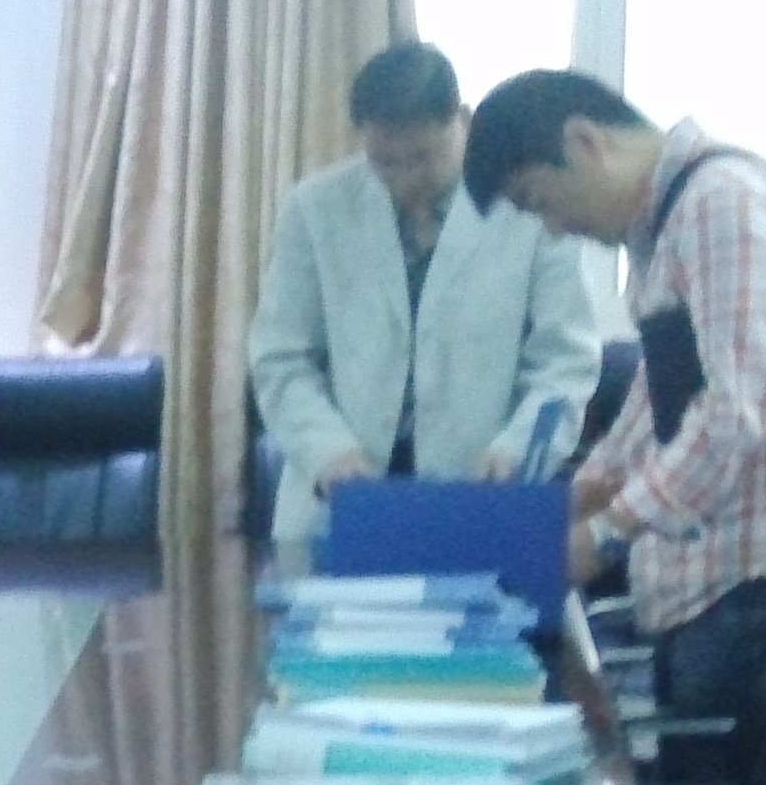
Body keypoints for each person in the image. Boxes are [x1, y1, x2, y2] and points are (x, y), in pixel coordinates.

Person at [464, 70, 766, 764]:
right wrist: (575, 497)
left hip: (756, 597)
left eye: (541, 202)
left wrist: (604, 536)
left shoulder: (724, 205)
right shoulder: (671, 223)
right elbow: (661, 403)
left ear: (585, 143)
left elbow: (732, 418)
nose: (555, 228)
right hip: (711, 593)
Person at [245, 41, 609, 544]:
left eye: (422, 158)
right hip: (342, 498)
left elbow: (564, 361)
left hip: (479, 494)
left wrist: (517, 450)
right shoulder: (315, 210)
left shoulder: (529, 206)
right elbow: (281, 359)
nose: (404, 179)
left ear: (463, 120)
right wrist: (327, 450)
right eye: (385, 162)